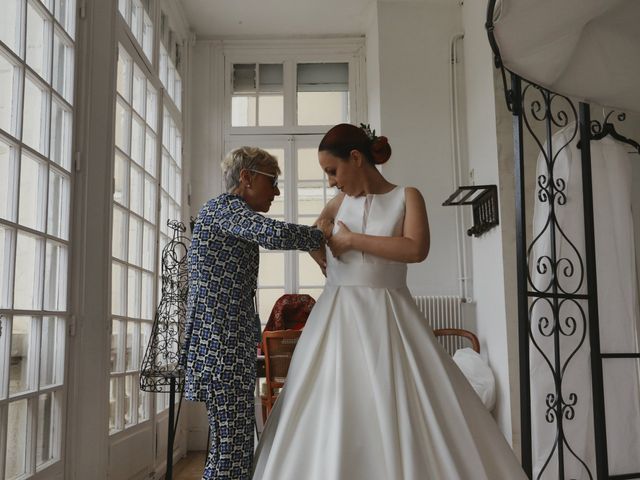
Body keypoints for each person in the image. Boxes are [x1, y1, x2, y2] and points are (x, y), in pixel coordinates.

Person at [252, 124, 527, 479]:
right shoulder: (339, 202)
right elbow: (315, 235)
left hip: (391, 316)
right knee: (334, 404)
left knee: (405, 402)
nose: (331, 182)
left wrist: (352, 242)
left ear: (356, 158)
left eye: (332, 171)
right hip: (336, 318)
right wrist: (321, 251)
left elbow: (415, 248)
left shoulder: (407, 196)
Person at [182, 147, 326, 480]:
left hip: (225, 344)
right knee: (233, 446)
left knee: (232, 443)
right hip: (220, 347)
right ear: (246, 177)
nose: (276, 191)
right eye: (272, 181)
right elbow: (272, 233)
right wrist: (321, 236)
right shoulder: (225, 210)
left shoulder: (223, 213)